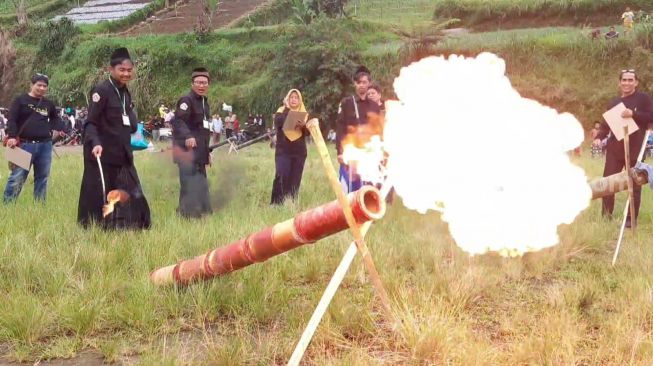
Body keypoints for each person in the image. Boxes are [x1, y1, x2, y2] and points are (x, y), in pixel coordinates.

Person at [77, 47, 151, 229]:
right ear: (111, 70)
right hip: (102, 153)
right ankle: (94, 226)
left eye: (129, 70)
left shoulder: (125, 93)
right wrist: (95, 143)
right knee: (98, 192)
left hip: (123, 152)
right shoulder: (101, 91)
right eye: (122, 70)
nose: (126, 74)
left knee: (131, 190)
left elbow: (130, 124)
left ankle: (132, 225)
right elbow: (90, 123)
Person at [593, 69, 653, 228]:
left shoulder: (643, 99)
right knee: (608, 183)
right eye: (624, 80)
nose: (627, 83)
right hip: (615, 149)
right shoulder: (613, 102)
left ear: (636, 82)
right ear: (619, 83)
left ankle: (630, 219)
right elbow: (606, 125)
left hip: (635, 148)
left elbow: (650, 116)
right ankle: (606, 216)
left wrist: (633, 114)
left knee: (634, 182)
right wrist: (599, 137)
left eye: (630, 80)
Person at [3, 74, 64, 203]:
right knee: (17, 177)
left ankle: (39, 206)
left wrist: (59, 128)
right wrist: (12, 136)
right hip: (23, 145)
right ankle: (8, 205)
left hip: (45, 145)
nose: (42, 88)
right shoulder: (20, 100)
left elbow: (55, 118)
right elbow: (12, 119)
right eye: (39, 85)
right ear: (32, 85)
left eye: (45, 86)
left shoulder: (48, 103)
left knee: (42, 177)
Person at [171, 67, 213, 218]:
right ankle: (187, 214)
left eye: (204, 83)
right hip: (186, 151)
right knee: (188, 182)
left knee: (200, 181)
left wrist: (207, 152)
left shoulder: (204, 103)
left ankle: (201, 212)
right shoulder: (186, 100)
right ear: (192, 84)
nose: (201, 86)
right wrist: (187, 135)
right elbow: (178, 121)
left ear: (208, 85)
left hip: (200, 151)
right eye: (198, 82)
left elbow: (204, 130)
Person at [335, 65, 381, 193]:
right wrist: (339, 151)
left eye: (364, 82)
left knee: (366, 190)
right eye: (358, 82)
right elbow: (340, 128)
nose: (361, 85)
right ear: (355, 84)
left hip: (368, 153)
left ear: (369, 83)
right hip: (350, 152)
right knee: (349, 190)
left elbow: (378, 130)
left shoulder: (374, 106)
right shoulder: (346, 103)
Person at [271, 89, 310, 205]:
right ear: (287, 99)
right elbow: (279, 123)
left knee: (295, 178)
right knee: (281, 176)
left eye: (296, 97)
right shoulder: (281, 111)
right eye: (291, 97)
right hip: (283, 151)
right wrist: (287, 109)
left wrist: (303, 126)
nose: (293, 99)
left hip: (299, 152)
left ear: (300, 100)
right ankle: (276, 204)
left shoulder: (304, 113)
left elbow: (308, 132)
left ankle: (291, 203)